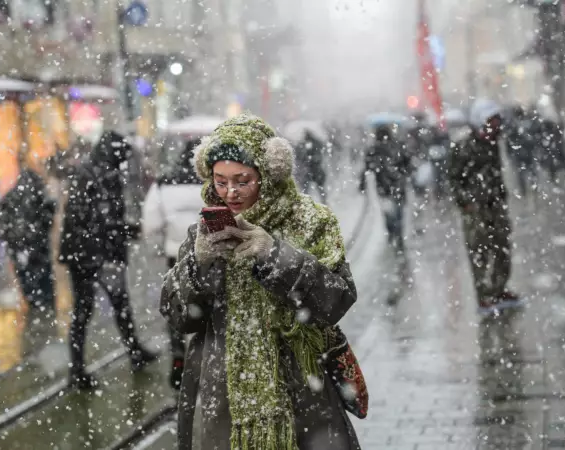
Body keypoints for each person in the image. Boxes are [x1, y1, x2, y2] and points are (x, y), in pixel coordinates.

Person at [161, 115, 361, 450]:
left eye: (243, 181)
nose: (231, 192)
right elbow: (180, 316)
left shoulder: (311, 222)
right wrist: (199, 264)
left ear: (269, 174)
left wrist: (275, 253)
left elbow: (338, 300)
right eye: (220, 181)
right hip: (221, 397)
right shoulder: (203, 232)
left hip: (301, 392)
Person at [60, 130, 157, 389]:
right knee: (102, 308)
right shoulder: (100, 174)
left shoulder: (92, 171)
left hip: (87, 253)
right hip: (95, 254)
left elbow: (96, 217)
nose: (123, 163)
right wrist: (124, 231)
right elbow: (96, 218)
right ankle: (83, 369)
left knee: (95, 309)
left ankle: (84, 367)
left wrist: (123, 230)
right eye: (121, 157)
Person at [448, 99, 521, 316]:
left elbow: (496, 173)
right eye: (492, 121)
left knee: (502, 248)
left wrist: (501, 196)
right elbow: (454, 180)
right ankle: (484, 296)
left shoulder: (494, 144)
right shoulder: (463, 146)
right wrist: (466, 202)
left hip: (495, 205)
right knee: (479, 252)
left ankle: (499, 289)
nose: (496, 126)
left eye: (497, 121)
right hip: (475, 209)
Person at [141, 139, 203, 390]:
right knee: (208, 309)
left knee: (176, 308)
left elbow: (150, 224)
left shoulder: (164, 183)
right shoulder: (216, 183)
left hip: (175, 255)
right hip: (207, 257)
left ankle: (178, 359)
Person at [0, 166, 56, 311]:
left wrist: (12, 239)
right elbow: (48, 217)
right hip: (37, 244)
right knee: (43, 276)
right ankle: (44, 304)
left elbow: (3, 219)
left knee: (26, 275)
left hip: (20, 245)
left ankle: (34, 302)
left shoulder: (11, 195)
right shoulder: (39, 195)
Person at [359, 124, 411, 257]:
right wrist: (404, 173)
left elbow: (367, 168)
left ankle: (392, 233)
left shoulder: (373, 149)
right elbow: (408, 163)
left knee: (388, 213)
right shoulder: (398, 146)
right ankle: (398, 236)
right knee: (398, 212)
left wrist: (362, 185)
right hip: (398, 185)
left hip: (383, 187)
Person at [505, 105, 538, 200]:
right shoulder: (528, 123)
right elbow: (534, 138)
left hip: (519, 153)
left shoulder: (512, 125)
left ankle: (524, 191)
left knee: (521, 174)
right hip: (528, 152)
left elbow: (509, 141)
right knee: (531, 171)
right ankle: (533, 188)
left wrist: (510, 153)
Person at [294, 129, 328, 201]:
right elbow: (299, 157)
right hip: (309, 170)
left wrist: (311, 158)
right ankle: (307, 200)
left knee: (318, 190)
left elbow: (319, 156)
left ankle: (321, 201)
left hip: (313, 170)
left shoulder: (314, 143)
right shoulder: (303, 144)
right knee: (308, 189)